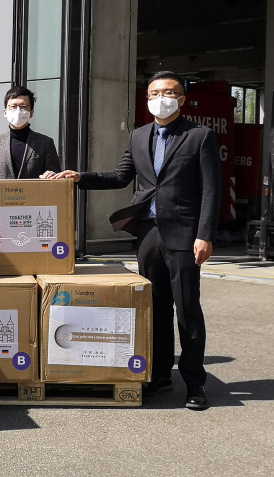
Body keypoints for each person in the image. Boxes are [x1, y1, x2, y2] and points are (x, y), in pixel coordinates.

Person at [54, 71, 221, 410]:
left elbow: (211, 190)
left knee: (187, 309)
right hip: (149, 233)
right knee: (155, 308)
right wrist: (80, 177)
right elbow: (120, 176)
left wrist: (205, 235)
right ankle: (159, 376)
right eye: (155, 93)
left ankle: (194, 383)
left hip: (185, 234)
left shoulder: (199, 136)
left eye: (169, 92)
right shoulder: (139, 135)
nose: (161, 98)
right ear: (147, 99)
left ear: (182, 99)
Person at [0, 85, 61, 179]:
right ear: (5, 113)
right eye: (13, 106)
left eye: (23, 106)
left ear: (31, 113)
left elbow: (56, 177)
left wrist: (52, 175)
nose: (18, 110)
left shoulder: (45, 143)